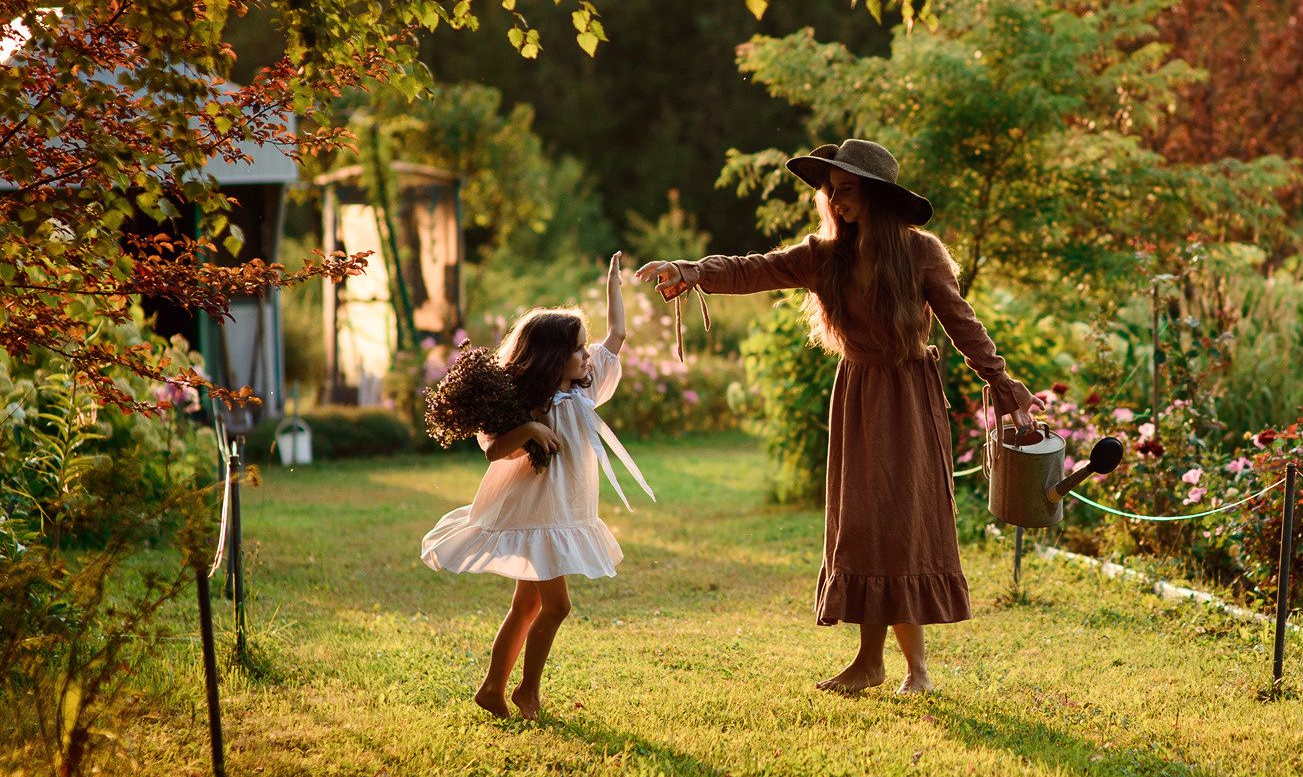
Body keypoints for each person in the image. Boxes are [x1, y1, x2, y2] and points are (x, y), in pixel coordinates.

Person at [636, 139, 1035, 694]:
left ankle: (917, 670)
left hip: (908, 396)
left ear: (875, 195)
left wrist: (1004, 384)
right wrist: (692, 270)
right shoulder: (825, 255)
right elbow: (755, 269)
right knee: (863, 523)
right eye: (831, 190)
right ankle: (870, 663)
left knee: (901, 524)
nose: (835, 200)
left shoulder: (921, 253)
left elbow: (961, 323)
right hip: (857, 393)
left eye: (846, 189)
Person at [421, 253, 653, 718]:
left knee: (527, 604)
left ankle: (493, 689)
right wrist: (529, 429)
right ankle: (526, 691)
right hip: (538, 514)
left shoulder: (584, 391)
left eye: (585, 348)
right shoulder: (529, 404)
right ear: (551, 356)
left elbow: (618, 336)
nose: (587, 355)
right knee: (557, 606)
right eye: (578, 349)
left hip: (562, 512)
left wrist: (614, 285)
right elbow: (494, 450)